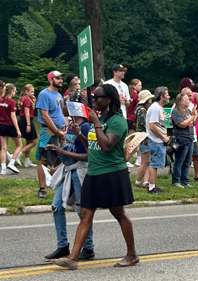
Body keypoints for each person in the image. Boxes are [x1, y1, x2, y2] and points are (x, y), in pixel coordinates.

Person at [50, 84, 138, 270]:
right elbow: (93, 147)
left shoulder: (117, 121)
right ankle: (72, 258)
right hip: (94, 173)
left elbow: (106, 146)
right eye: (93, 97)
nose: (94, 100)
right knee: (85, 215)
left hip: (112, 173)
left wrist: (96, 122)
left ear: (108, 99)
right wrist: (80, 134)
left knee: (119, 213)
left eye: (97, 97)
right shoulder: (98, 121)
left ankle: (132, 254)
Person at [44, 116, 95, 261]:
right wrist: (59, 165)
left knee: (82, 211)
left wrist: (64, 153)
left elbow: (88, 155)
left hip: (80, 171)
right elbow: (69, 148)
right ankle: (62, 246)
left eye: (67, 102)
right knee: (57, 207)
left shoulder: (85, 127)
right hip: (68, 170)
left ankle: (88, 247)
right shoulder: (71, 125)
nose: (63, 105)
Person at [35, 71, 67, 198]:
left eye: (61, 78)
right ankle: (42, 189)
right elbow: (45, 115)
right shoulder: (44, 94)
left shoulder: (59, 95)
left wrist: (64, 129)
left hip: (60, 131)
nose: (60, 80)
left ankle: (57, 184)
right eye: (57, 78)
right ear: (50, 80)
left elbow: (62, 112)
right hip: (49, 132)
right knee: (45, 160)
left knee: (60, 159)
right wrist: (57, 132)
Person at [171, 93, 198, 188]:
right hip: (181, 139)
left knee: (187, 161)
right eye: (187, 99)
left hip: (190, 138)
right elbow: (182, 124)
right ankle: (176, 180)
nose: (189, 100)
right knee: (179, 160)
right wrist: (192, 117)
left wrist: (197, 115)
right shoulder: (176, 112)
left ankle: (185, 180)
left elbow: (193, 123)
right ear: (181, 102)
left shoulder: (188, 110)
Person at [145, 87, 170, 193]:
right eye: (167, 94)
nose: (169, 96)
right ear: (161, 96)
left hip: (157, 140)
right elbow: (152, 126)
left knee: (155, 163)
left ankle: (152, 185)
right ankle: (151, 187)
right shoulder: (155, 108)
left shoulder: (157, 107)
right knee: (154, 164)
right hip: (155, 140)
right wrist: (163, 137)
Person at [133, 90, 154, 189]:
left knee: (147, 161)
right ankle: (138, 181)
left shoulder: (138, 109)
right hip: (144, 138)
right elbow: (146, 124)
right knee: (145, 162)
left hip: (142, 137)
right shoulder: (142, 110)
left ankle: (146, 181)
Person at [0, 83, 22, 175]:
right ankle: (12, 163)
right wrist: (18, 129)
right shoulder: (12, 102)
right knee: (19, 145)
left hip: (1, 125)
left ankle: (3, 169)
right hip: (10, 125)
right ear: (12, 91)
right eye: (15, 91)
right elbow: (13, 116)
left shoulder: (0, 100)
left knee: (3, 148)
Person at [17, 84, 38, 168]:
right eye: (31, 91)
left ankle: (27, 161)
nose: (33, 93)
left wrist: (34, 102)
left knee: (28, 141)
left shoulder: (26, 99)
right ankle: (18, 155)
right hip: (26, 120)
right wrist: (28, 124)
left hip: (24, 119)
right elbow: (27, 112)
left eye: (33, 91)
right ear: (26, 91)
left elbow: (31, 110)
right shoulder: (27, 99)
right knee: (33, 142)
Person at [125, 79, 142, 168]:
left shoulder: (129, 94)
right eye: (139, 85)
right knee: (135, 140)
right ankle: (128, 159)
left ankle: (137, 158)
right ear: (134, 86)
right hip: (132, 119)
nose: (140, 87)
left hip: (127, 118)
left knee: (130, 139)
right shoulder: (136, 96)